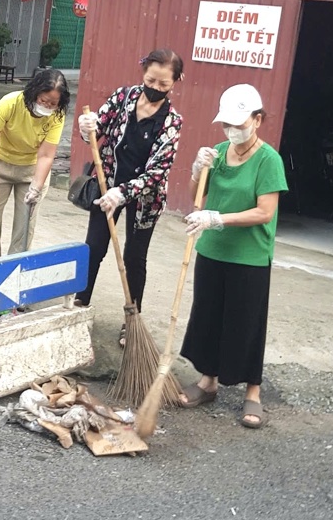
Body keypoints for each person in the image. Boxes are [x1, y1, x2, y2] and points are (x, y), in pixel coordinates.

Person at [178, 83, 288, 429]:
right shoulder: (220, 152)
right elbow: (198, 194)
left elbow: (264, 212)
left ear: (258, 119)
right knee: (208, 314)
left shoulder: (269, 160)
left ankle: (252, 392)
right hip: (212, 250)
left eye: (239, 124)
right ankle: (207, 382)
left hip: (249, 255)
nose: (232, 131)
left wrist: (218, 218)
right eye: (227, 124)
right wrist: (197, 170)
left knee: (247, 322)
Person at [75, 49, 184, 346]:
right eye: (151, 80)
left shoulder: (172, 122)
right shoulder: (123, 98)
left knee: (135, 258)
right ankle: (79, 306)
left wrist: (121, 193)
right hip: (106, 181)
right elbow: (95, 133)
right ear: (143, 73)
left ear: (175, 82)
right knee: (94, 248)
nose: (155, 88)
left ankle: (131, 320)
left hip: (143, 198)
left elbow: (157, 173)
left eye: (163, 85)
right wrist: (88, 128)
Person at [0, 69, 70, 260]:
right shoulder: (11, 102)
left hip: (32, 169)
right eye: (43, 100)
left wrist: (37, 186)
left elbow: (46, 155)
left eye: (53, 103)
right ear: (34, 93)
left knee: (26, 221)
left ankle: (15, 266)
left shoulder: (56, 116)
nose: (47, 106)